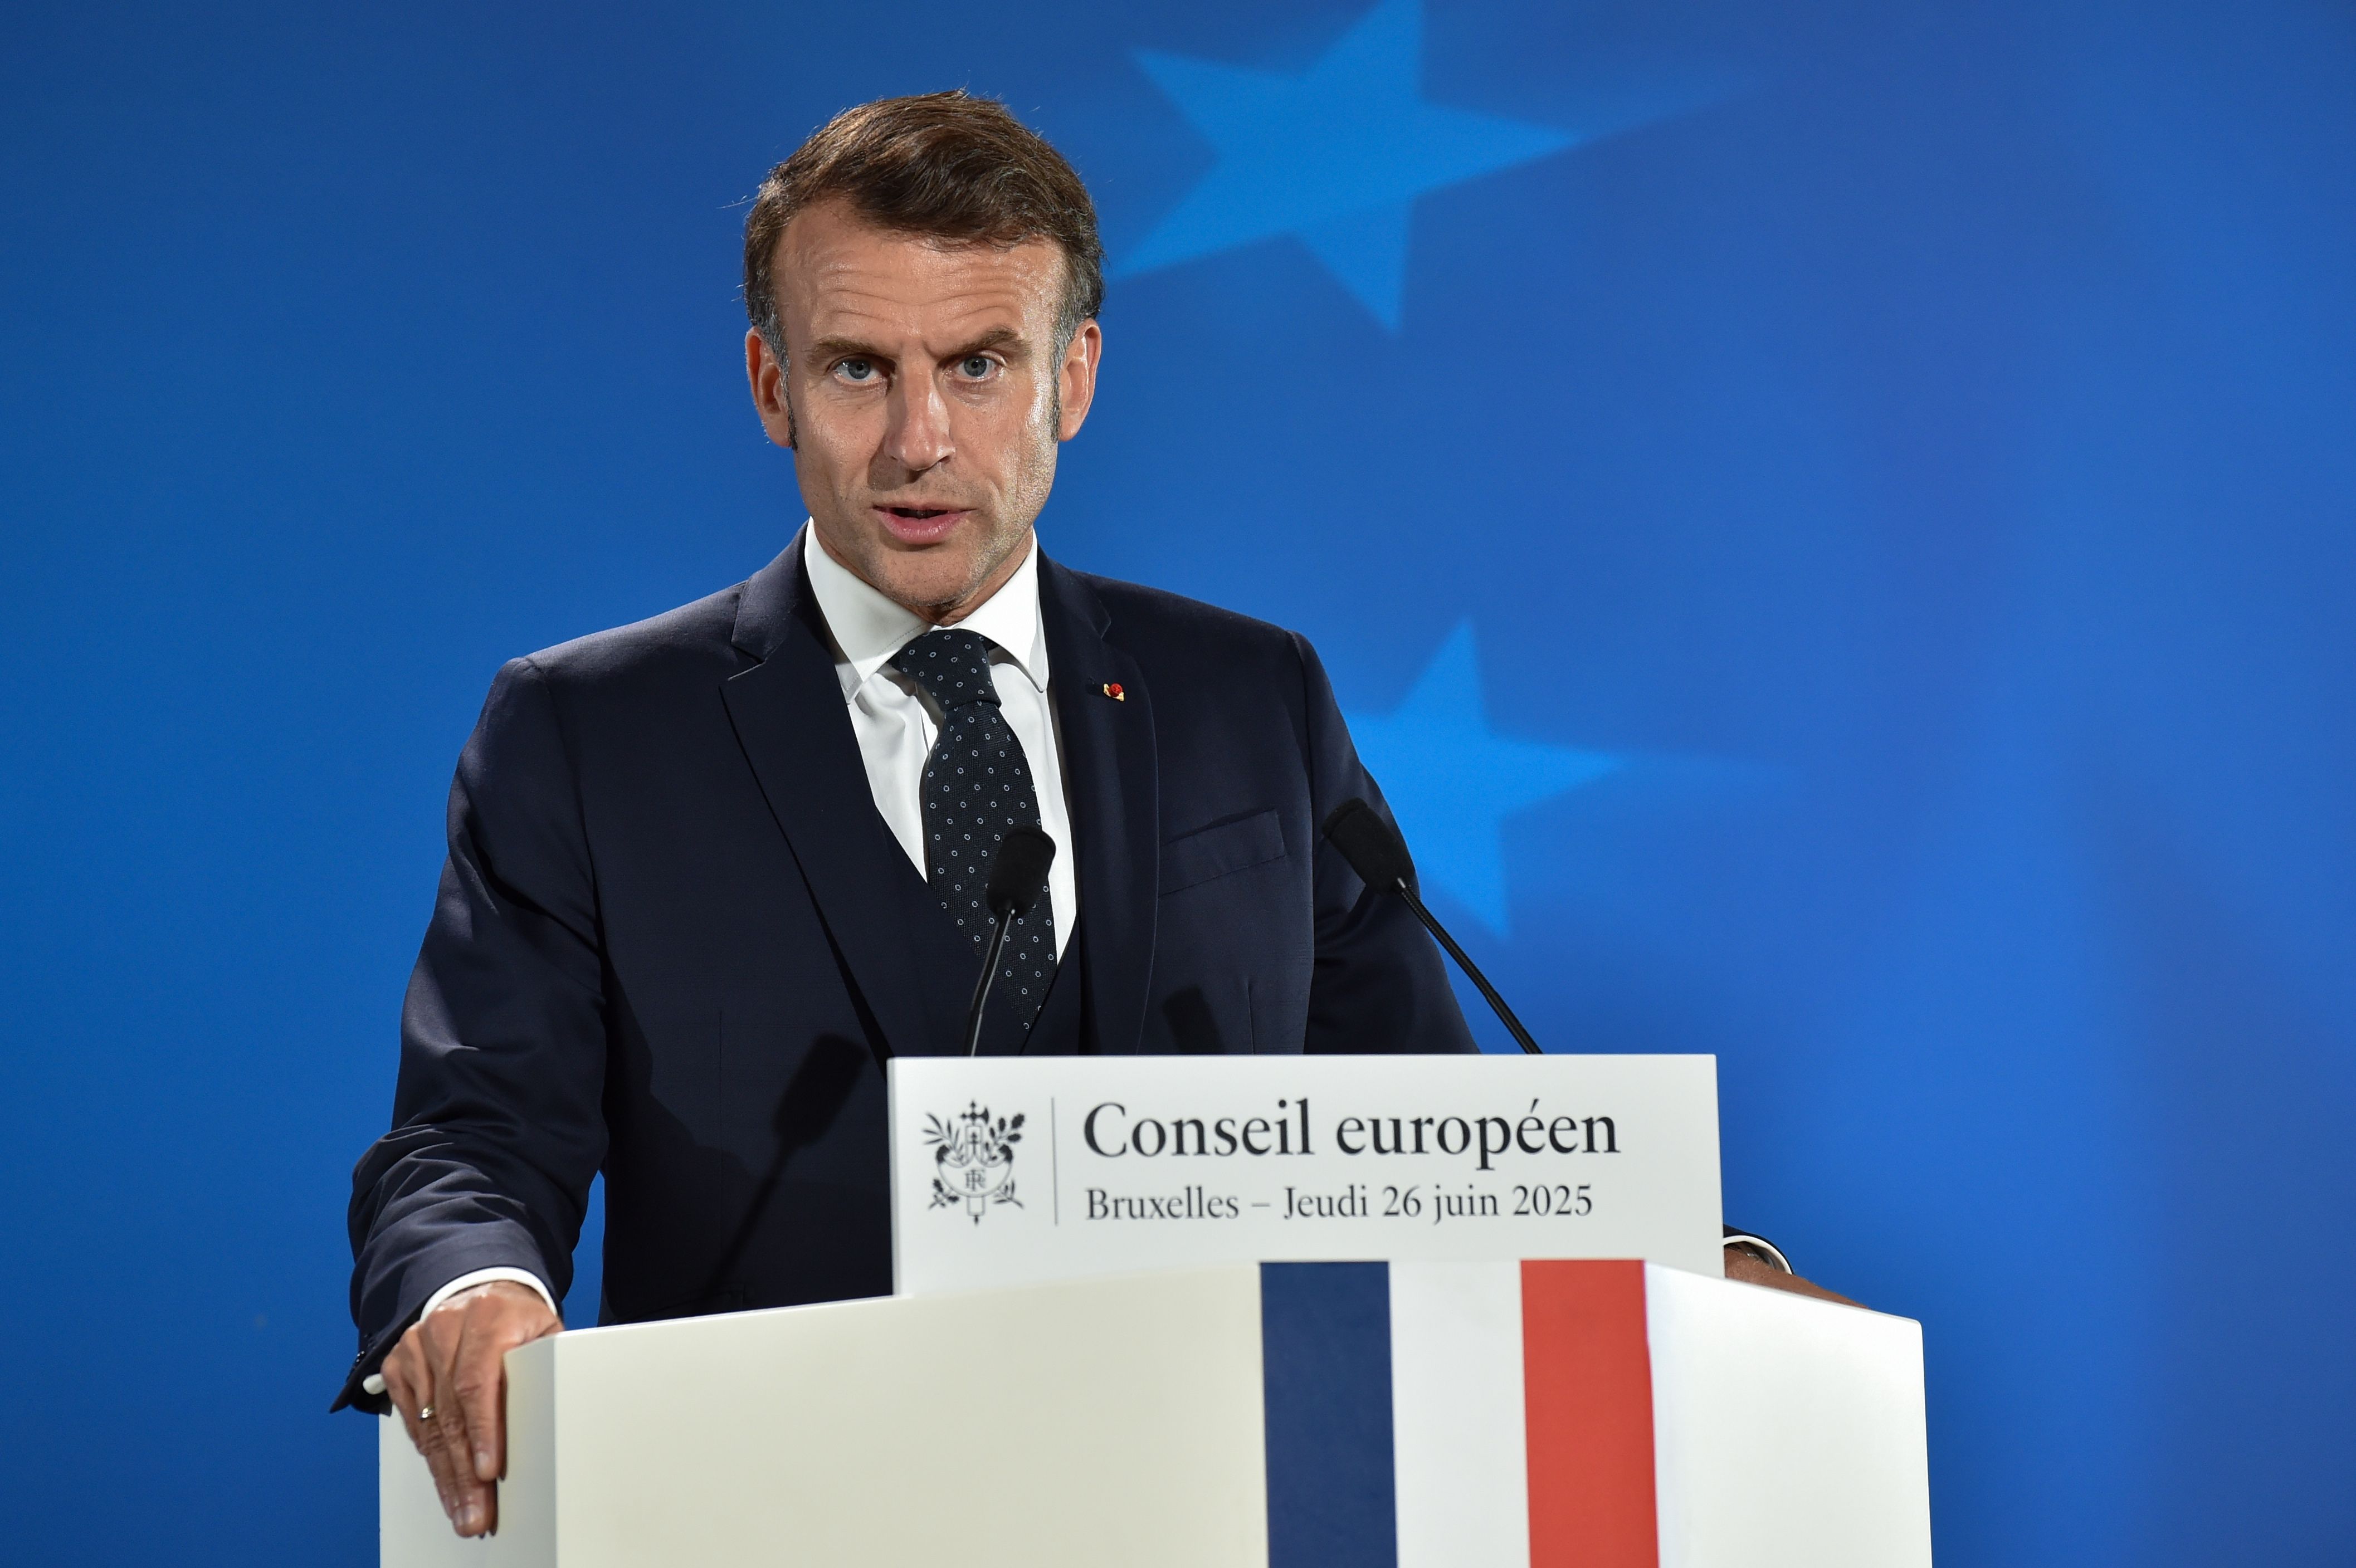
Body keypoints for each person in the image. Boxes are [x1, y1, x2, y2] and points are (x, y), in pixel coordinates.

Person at [340, 90, 1837, 1540]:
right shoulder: (592, 733)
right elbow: (472, 1136)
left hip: (1223, 1502)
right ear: (771, 386)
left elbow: (1427, 1136)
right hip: (779, 1505)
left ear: (1075, 378)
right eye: (858, 368)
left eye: (980, 364)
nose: (921, 438)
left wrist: (1685, 1275)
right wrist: (474, 1285)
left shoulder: (1251, 697)